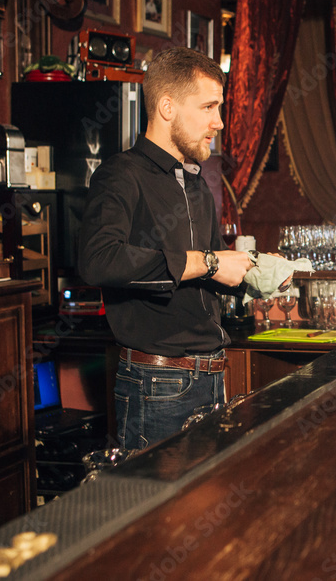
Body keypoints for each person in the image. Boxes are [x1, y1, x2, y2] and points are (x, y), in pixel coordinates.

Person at [78, 46, 252, 451]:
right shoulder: (120, 175)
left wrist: (255, 270)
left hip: (211, 377)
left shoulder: (195, 184)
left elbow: (213, 271)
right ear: (167, 107)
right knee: (156, 513)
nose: (219, 122)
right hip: (158, 384)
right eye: (209, 107)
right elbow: (98, 261)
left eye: (219, 108)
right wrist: (208, 263)